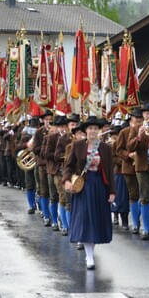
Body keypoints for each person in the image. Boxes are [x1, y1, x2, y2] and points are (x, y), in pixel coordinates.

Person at [63, 116, 115, 270]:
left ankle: (91, 251)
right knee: (86, 219)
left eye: (95, 128)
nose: (93, 131)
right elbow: (68, 166)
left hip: (99, 186)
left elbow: (110, 172)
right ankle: (89, 256)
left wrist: (112, 191)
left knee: (96, 220)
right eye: (90, 128)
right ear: (85, 131)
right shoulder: (77, 145)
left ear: (99, 131)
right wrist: (66, 180)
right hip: (83, 186)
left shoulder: (105, 148)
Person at [127, 101, 149, 240]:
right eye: (146, 114)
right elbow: (129, 147)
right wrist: (138, 136)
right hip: (142, 166)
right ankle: (146, 229)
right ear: (143, 115)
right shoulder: (135, 128)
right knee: (145, 197)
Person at [117, 109, 142, 233]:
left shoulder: (148, 130)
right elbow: (119, 150)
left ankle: (146, 223)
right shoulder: (124, 132)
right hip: (129, 168)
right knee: (133, 195)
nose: (138, 119)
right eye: (136, 117)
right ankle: (136, 222)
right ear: (131, 118)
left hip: (144, 167)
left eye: (140, 117)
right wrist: (129, 155)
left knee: (145, 196)